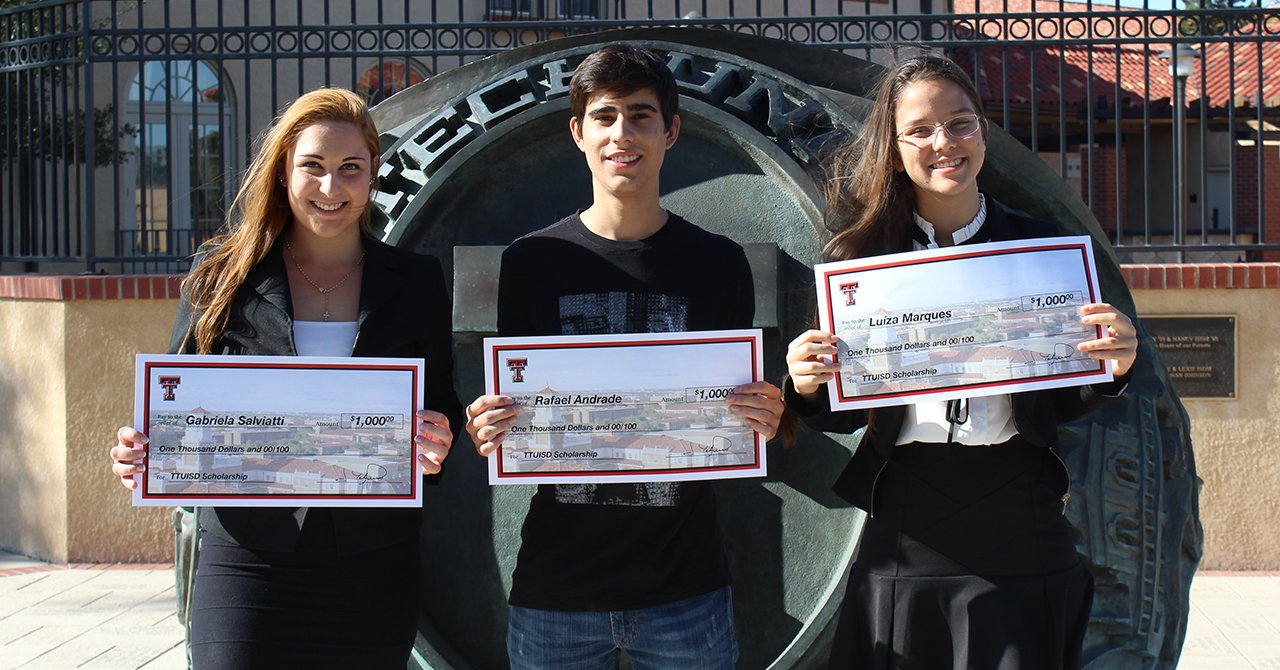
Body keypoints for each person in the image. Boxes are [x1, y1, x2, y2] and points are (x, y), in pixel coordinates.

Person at [784, 53, 1139, 670]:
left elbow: (1063, 394)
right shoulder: (860, 259)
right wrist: (809, 385)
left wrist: (1114, 365)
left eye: (960, 122)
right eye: (919, 130)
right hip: (907, 524)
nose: (943, 142)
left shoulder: (1039, 247)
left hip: (1020, 512)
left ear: (982, 129)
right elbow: (840, 413)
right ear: (894, 150)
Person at [107, 87, 463, 669]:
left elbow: (440, 406)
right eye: (313, 167)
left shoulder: (417, 280)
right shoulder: (221, 275)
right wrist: (140, 452)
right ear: (282, 174)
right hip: (248, 560)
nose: (331, 188)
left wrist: (438, 440)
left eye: (350, 168)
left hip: (372, 567)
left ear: (373, 173)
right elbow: (173, 402)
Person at [464, 44, 785, 669]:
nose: (623, 134)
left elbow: (734, 415)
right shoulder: (530, 263)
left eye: (641, 116)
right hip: (556, 591)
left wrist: (764, 414)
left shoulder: (719, 264)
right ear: (578, 133)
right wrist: (493, 425)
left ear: (671, 132)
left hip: (686, 591)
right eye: (605, 116)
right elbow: (520, 409)